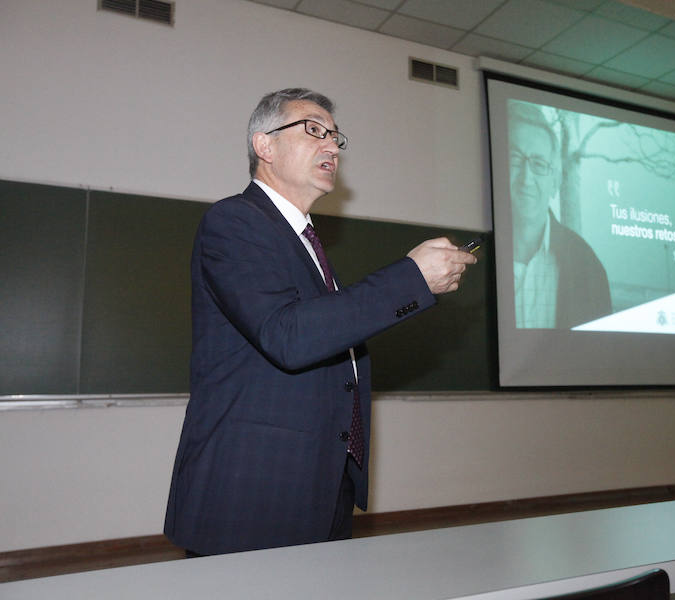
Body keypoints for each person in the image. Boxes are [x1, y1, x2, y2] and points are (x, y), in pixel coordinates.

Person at [164, 88, 476, 556]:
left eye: (335, 137)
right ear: (264, 145)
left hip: (321, 479)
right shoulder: (234, 221)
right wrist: (411, 279)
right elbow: (288, 336)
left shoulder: (306, 240)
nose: (331, 146)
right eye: (313, 130)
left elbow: (328, 336)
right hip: (254, 487)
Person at [508, 100, 612, 329]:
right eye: (515, 159)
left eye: (538, 164)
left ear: (554, 181)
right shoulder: (471, 254)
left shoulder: (587, 265)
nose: (526, 178)